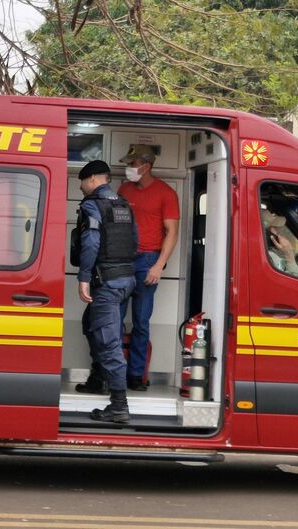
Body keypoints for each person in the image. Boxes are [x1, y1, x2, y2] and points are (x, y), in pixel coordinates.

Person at [72, 160, 138, 423]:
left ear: (91, 180)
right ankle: (97, 378)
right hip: (125, 279)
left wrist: (84, 277)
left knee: (108, 341)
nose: (81, 187)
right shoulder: (123, 205)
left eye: (81, 183)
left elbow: (90, 243)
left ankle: (119, 406)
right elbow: (135, 241)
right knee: (90, 323)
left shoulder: (92, 205)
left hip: (107, 282)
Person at [116, 145, 179, 391]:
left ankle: (135, 376)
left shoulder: (165, 193)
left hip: (147, 263)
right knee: (115, 320)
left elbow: (172, 232)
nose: (129, 169)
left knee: (141, 321)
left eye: (132, 164)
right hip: (122, 260)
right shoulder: (124, 189)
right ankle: (115, 374)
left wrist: (158, 265)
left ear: (146, 165)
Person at [261, 207, 298, 278]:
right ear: (268, 233)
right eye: (275, 228)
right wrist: (289, 257)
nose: (278, 232)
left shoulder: (267, 253)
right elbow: (297, 281)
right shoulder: (271, 257)